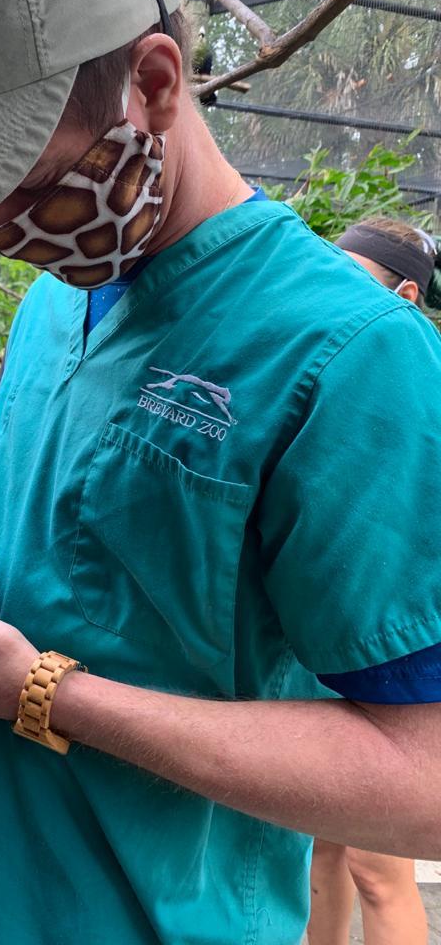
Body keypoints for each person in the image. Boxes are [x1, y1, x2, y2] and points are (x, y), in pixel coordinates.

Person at [0, 0, 441, 942]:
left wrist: (38, 692)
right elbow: (128, 523)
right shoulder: (59, 299)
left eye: (18, 175)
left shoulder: (351, 354)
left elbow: (423, 781)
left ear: (154, 82)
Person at [307, 215, 440, 945]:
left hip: (397, 641)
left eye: (347, 277)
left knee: (376, 865)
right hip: (327, 624)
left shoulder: (413, 366)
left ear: (409, 294)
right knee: (318, 842)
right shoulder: (342, 362)